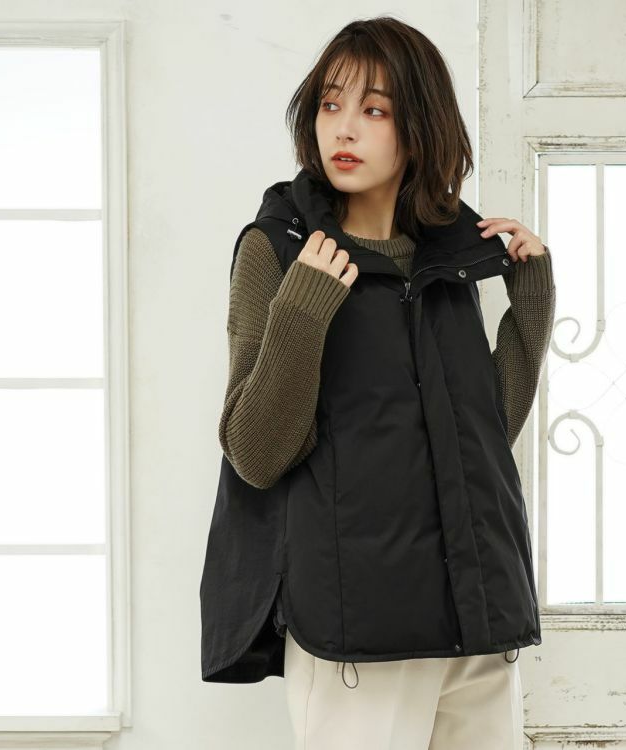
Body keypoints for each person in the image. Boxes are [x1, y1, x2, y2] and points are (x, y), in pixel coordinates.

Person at [200, 15, 556, 750]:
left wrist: (530, 300)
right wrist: (304, 308)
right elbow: (256, 454)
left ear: (419, 126)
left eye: (374, 109)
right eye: (331, 105)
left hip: (476, 624)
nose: (345, 128)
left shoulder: (448, 257)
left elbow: (483, 435)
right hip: (355, 636)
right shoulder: (278, 250)